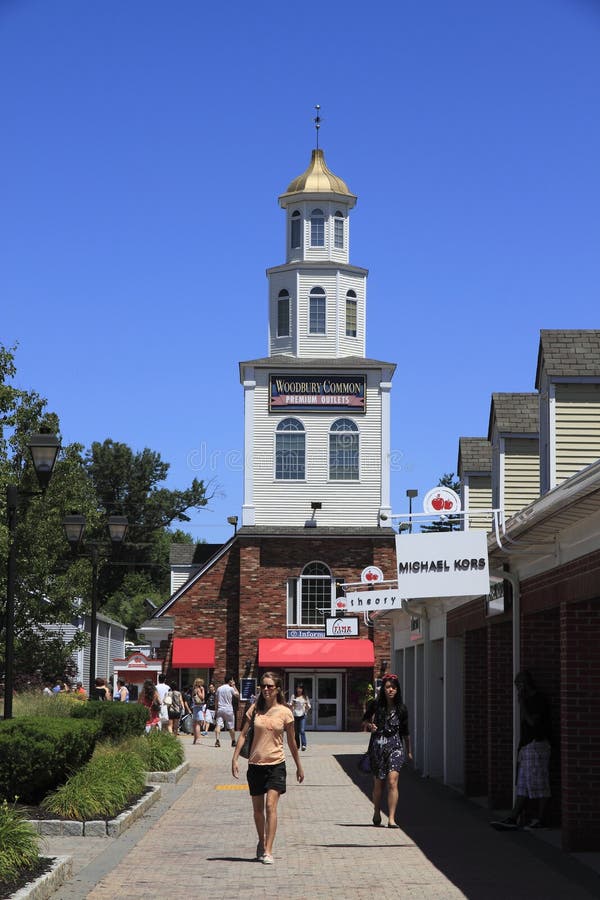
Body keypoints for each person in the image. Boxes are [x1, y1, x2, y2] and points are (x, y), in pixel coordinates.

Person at [232, 671, 304, 864]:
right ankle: (261, 840)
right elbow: (243, 735)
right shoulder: (255, 709)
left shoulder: (285, 712)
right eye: (263, 686)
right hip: (255, 765)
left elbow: (291, 741)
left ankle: (268, 850)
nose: (265, 689)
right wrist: (235, 758)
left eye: (269, 686)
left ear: (277, 689)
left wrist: (299, 766)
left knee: (270, 805)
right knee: (257, 810)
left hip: (276, 765)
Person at [492, 670, 552, 831]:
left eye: (519, 684)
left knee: (540, 783)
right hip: (527, 746)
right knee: (523, 785)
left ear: (526, 683)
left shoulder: (538, 700)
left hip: (537, 745)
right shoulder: (528, 700)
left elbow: (533, 722)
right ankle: (513, 817)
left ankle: (542, 819)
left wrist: (522, 704)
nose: (518, 688)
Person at [362, 673, 412, 828]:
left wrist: (408, 751)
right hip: (378, 746)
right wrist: (370, 726)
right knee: (379, 784)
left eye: (394, 687)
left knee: (392, 781)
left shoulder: (402, 709)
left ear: (397, 690)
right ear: (383, 689)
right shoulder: (376, 705)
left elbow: (405, 732)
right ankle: (377, 812)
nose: (391, 690)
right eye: (388, 687)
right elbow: (365, 720)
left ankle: (391, 818)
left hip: (395, 747)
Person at [214, 674, 239, 748]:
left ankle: (217, 740)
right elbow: (237, 695)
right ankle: (233, 741)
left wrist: (216, 709)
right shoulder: (230, 688)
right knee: (231, 726)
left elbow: (216, 700)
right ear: (230, 681)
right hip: (228, 709)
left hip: (220, 708)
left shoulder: (219, 688)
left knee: (218, 724)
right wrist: (234, 686)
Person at [289, 684, 311, 751]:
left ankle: (304, 745)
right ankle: (297, 745)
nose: (299, 690)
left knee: (302, 730)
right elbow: (290, 705)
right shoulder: (293, 696)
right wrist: (292, 704)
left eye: (300, 688)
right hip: (295, 715)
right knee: (296, 732)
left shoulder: (305, 697)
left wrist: (306, 704)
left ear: (302, 690)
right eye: (298, 688)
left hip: (302, 715)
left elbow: (309, 706)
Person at [191, 678, 206, 744]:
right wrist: (203, 691)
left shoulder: (194, 689)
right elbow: (202, 697)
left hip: (195, 707)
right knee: (198, 724)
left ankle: (195, 739)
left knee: (195, 723)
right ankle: (198, 739)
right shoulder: (199, 689)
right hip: (198, 707)